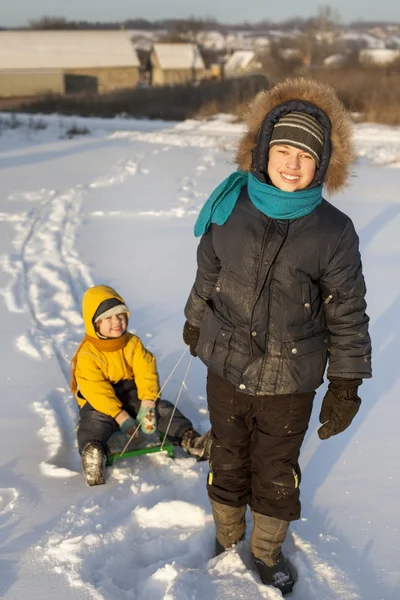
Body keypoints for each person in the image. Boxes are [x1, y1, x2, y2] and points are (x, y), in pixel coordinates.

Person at [182, 77, 371, 594]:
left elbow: (348, 312)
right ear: (263, 152)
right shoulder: (232, 205)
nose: (292, 163)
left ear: (322, 163)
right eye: (283, 149)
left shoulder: (333, 231)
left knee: (275, 470)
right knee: (227, 456)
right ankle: (226, 539)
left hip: (290, 382)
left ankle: (265, 552)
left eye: (305, 155)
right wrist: (196, 316)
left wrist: (346, 383)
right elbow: (209, 269)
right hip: (226, 368)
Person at [71, 284, 211, 486]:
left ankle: (190, 440)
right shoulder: (88, 353)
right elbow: (96, 390)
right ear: (94, 323)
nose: (116, 322)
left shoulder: (132, 343)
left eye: (120, 315)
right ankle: (93, 453)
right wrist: (120, 416)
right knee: (93, 421)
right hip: (100, 403)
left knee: (163, 409)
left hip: (131, 394)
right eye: (108, 318)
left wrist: (147, 402)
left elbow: (146, 371)